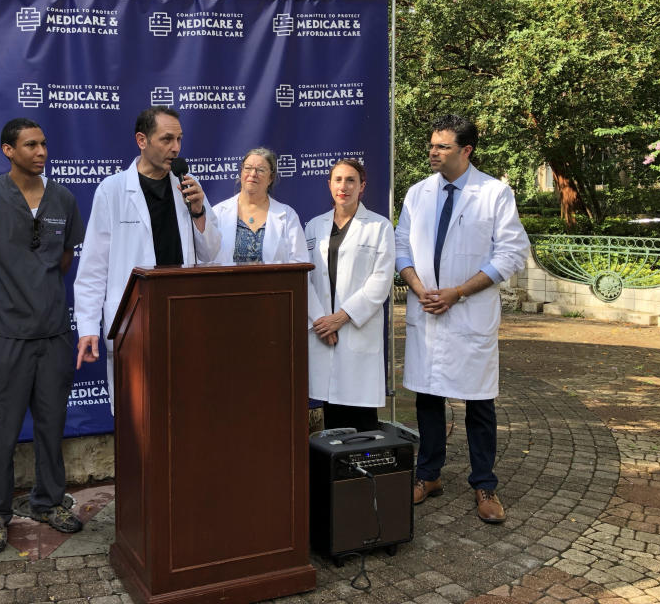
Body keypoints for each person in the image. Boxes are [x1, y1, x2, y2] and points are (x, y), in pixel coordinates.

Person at [0, 118, 85, 552]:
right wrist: (0, 306)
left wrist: (37, 299)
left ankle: (48, 501)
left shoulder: (63, 199)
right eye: (30, 144)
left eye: (44, 143)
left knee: (52, 425)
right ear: (8, 150)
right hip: (3, 337)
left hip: (52, 334)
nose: (41, 151)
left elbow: (63, 261)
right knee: (0, 429)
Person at [394, 114, 528, 524]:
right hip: (427, 310)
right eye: (432, 145)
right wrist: (418, 288)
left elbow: (511, 253)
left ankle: (484, 484)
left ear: (466, 150)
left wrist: (457, 292)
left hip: (468, 313)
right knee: (429, 398)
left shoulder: (494, 193)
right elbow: (401, 246)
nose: (432, 152)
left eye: (442, 147)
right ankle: (428, 474)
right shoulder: (418, 193)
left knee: (478, 403)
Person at [74, 106, 222, 405]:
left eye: (179, 139)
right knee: (138, 412)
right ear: (142, 140)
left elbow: (210, 253)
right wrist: (87, 327)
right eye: (167, 139)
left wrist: (199, 211)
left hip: (182, 315)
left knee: (186, 406)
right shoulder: (112, 191)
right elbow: (93, 268)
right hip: (134, 320)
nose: (176, 148)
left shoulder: (188, 186)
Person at [307, 159, 394, 433]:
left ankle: (365, 471)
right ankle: (336, 474)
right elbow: (305, 277)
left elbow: (380, 281)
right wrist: (322, 320)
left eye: (351, 180)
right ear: (329, 185)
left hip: (356, 327)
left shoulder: (379, 226)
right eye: (338, 180)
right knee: (331, 410)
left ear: (362, 186)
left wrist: (341, 318)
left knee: (361, 415)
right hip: (324, 330)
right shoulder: (314, 227)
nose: (343, 186)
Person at [211, 147, 307, 265]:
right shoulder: (218, 213)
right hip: (228, 283)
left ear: (270, 178)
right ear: (241, 172)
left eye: (261, 170)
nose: (253, 174)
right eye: (248, 168)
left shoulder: (287, 215)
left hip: (276, 284)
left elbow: (300, 263)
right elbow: (206, 258)